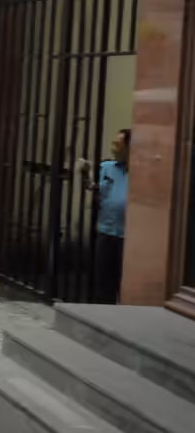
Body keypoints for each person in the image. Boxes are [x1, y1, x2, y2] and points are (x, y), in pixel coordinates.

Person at [92, 128, 130, 304]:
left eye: (118, 144)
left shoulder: (139, 172)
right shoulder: (105, 168)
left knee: (125, 281)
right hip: (106, 231)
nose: (114, 148)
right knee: (103, 280)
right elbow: (94, 189)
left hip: (128, 236)